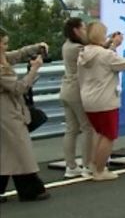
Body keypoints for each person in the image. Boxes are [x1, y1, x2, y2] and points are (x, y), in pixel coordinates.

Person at [77, 21, 125, 181]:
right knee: (108, 135)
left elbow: (102, 60)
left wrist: (111, 45)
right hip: (105, 99)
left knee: (99, 132)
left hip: (88, 98)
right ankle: (100, 170)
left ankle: (92, 165)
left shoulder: (83, 53)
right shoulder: (105, 55)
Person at [0, 28, 50, 202]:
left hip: (8, 111)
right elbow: (18, 88)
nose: (7, 47)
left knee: (9, 151)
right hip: (7, 112)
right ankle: (31, 189)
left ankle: (29, 188)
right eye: (4, 44)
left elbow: (18, 54)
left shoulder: (3, 59)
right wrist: (34, 70)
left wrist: (36, 48)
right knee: (19, 149)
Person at [59, 18, 96, 178]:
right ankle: (87, 165)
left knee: (71, 129)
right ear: (76, 30)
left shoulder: (66, 45)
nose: (85, 31)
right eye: (83, 28)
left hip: (66, 89)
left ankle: (71, 165)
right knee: (87, 128)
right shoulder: (78, 48)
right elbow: (94, 58)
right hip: (77, 90)